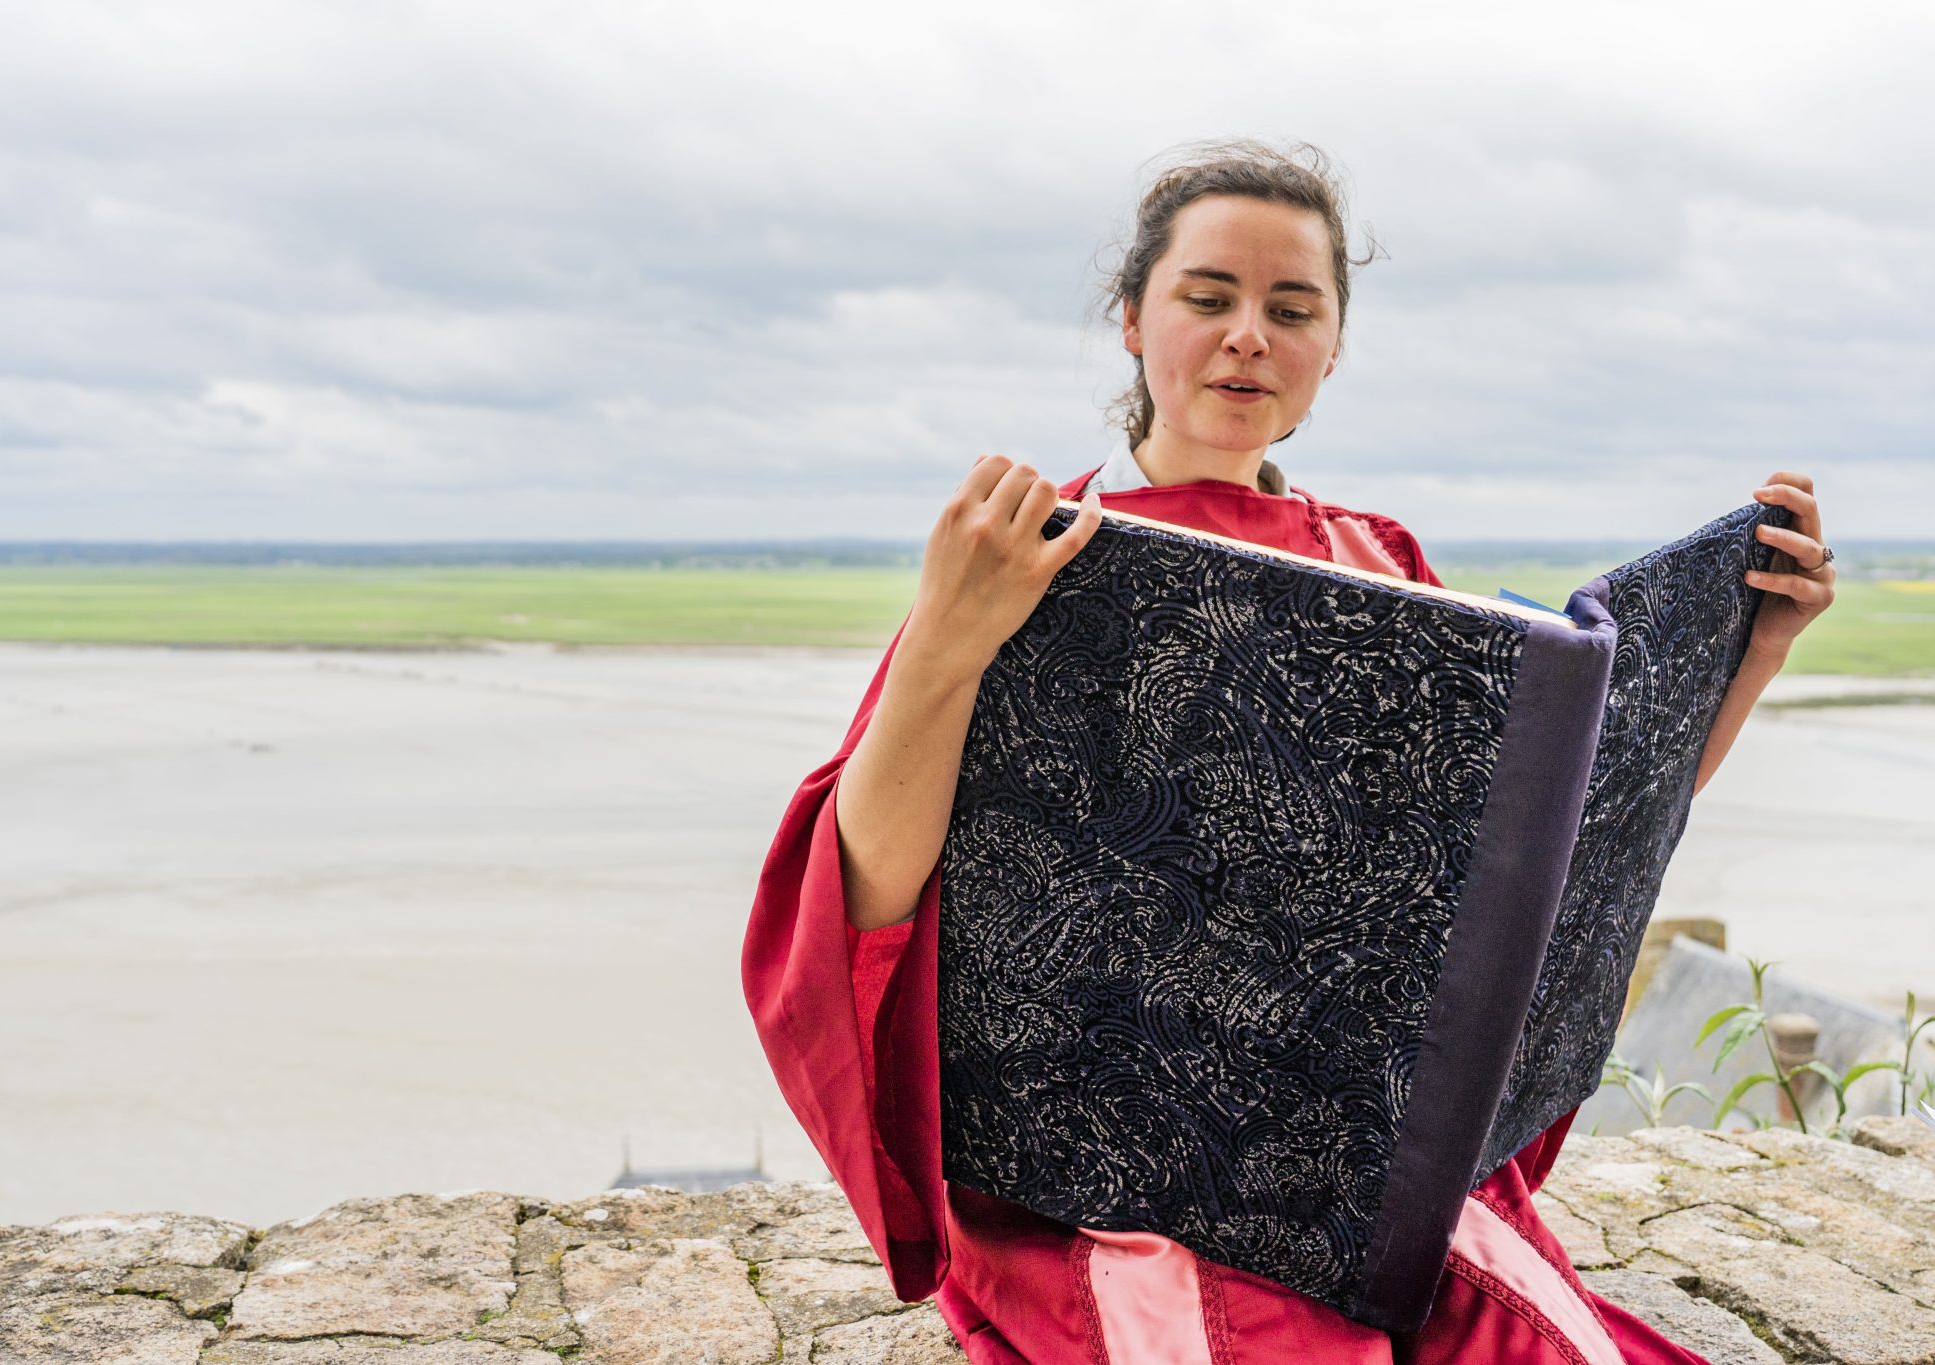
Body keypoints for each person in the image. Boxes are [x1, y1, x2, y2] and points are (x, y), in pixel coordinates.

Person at [741, 140, 1836, 1363]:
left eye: (1290, 308)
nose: (1246, 336)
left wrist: (1752, 653)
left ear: (1331, 347)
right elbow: (860, 897)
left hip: (1359, 1180)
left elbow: (1551, 876)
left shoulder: (1383, 572)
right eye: (1206, 299)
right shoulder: (1020, 559)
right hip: (1111, 1194)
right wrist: (945, 639)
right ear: (1131, 321)